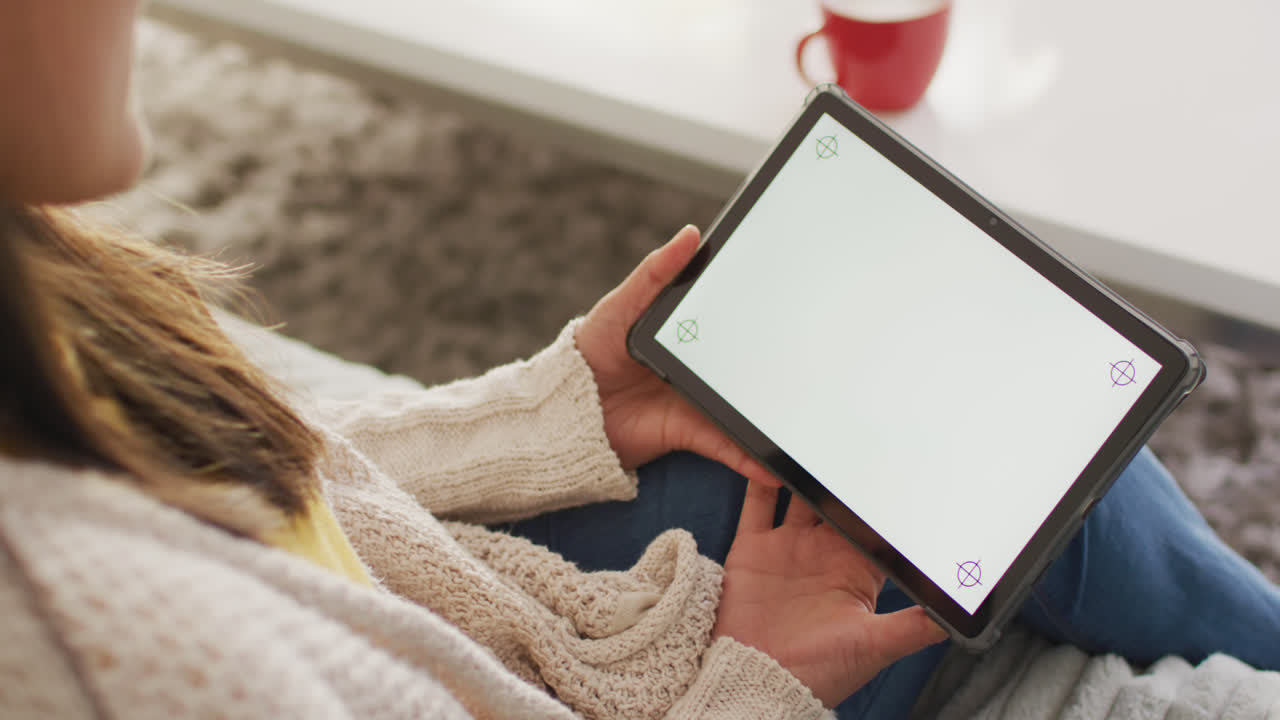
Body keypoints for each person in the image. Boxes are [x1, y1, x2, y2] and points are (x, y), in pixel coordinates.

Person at [1, 2, 1278, 718]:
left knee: (976, 444)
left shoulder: (33, 298)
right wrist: (755, 683)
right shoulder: (91, 640)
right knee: (1035, 476)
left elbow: (264, 494)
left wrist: (555, 410)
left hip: (499, 613)